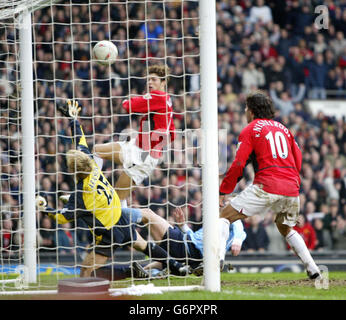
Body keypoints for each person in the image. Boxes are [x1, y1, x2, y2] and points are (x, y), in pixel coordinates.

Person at [35, 100, 188, 278]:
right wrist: (73, 119)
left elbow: (61, 217)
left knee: (86, 270)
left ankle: (124, 276)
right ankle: (177, 266)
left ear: (73, 171)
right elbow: (80, 138)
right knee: (145, 246)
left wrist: (44, 209)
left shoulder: (81, 194)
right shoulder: (92, 165)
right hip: (120, 217)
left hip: (109, 233)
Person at [218, 91, 321, 280]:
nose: (244, 111)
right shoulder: (284, 129)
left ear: (252, 111)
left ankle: (217, 260)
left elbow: (239, 163)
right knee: (286, 228)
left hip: (267, 185)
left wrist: (224, 190)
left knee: (224, 216)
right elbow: (298, 160)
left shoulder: (251, 128)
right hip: (291, 187)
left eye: (246, 108)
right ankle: (313, 268)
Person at [93, 65, 176, 206]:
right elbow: (172, 134)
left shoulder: (158, 96)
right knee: (98, 150)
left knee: (116, 202)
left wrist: (126, 100)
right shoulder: (167, 100)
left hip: (144, 157)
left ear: (163, 82)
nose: (149, 82)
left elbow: (129, 106)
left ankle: (135, 222)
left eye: (154, 79)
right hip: (138, 148)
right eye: (148, 79)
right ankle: (89, 190)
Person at [93, 206, 246, 280]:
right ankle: (98, 273)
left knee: (147, 214)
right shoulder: (216, 227)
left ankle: (111, 212)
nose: (221, 206)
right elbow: (196, 238)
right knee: (143, 268)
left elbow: (239, 229)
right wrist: (183, 225)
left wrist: (238, 240)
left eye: (224, 204)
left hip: (184, 246)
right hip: (188, 253)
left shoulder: (229, 222)